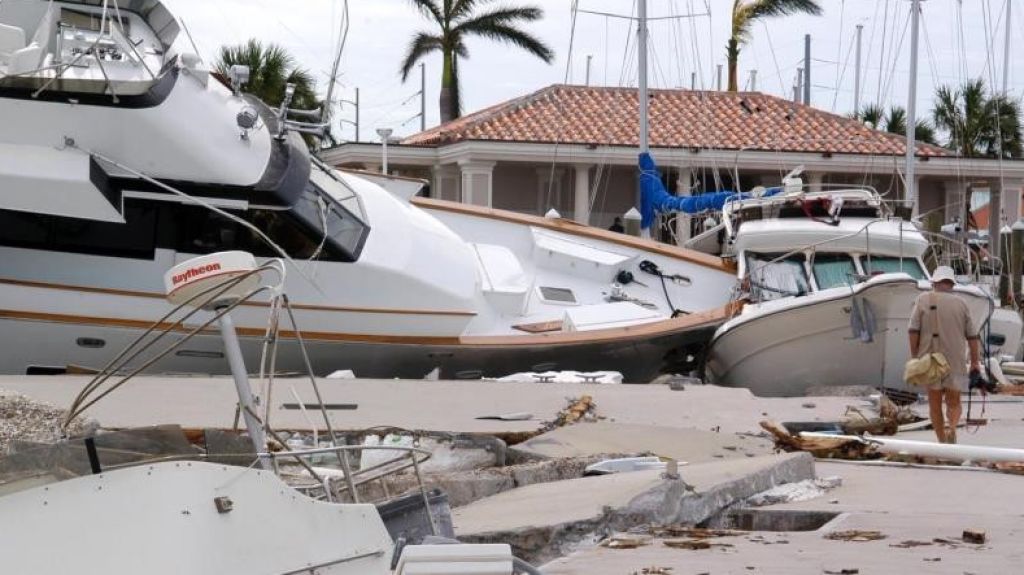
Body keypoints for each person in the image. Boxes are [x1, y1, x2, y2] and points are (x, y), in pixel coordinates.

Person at [907, 265, 982, 444]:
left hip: (931, 359)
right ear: (952, 284)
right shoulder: (961, 304)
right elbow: (973, 336)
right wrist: (975, 362)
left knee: (934, 404)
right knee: (954, 402)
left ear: (934, 282)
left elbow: (913, 330)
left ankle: (941, 441)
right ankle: (952, 428)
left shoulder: (923, 299)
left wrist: (915, 356)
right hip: (955, 360)